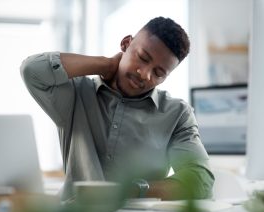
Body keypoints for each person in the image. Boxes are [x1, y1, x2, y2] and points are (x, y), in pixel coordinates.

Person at [20, 16, 214, 201]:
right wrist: (105, 64)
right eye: (143, 58)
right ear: (126, 43)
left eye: (159, 73)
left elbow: (200, 180)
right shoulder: (76, 93)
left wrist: (130, 191)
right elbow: (32, 70)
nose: (145, 75)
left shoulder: (177, 114)